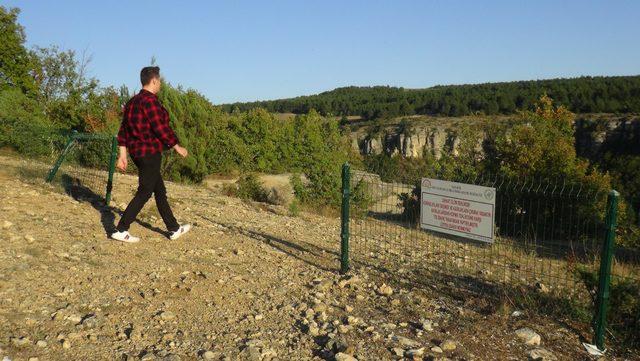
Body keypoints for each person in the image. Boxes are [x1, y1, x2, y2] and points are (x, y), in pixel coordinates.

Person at [110, 66, 191, 243]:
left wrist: (122, 155)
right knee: (145, 192)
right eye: (160, 80)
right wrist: (177, 146)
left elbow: (123, 132)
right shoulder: (151, 102)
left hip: (136, 154)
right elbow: (161, 128)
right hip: (150, 153)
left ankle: (174, 229)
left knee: (160, 191)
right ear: (154, 80)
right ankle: (121, 229)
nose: (160, 84)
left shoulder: (132, 102)